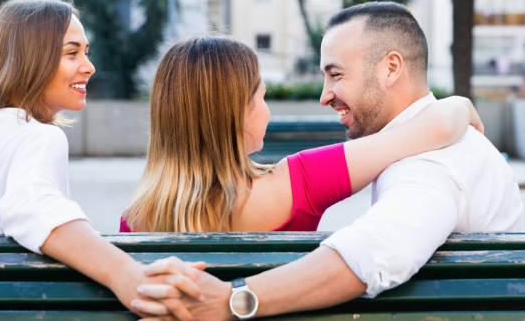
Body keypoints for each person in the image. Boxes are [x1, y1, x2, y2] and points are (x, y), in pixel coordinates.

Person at [132, 2, 523, 321]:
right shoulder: (300, 180)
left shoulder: (135, 221)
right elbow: (367, 256)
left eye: (335, 74)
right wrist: (451, 109)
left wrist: (231, 300)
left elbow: (372, 254)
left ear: (391, 68)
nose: (324, 96)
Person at [0, 0, 204, 321]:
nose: (89, 66)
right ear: (29, 61)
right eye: (72, 53)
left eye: (86, 52)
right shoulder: (38, 137)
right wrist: (127, 275)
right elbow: (30, 206)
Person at [120, 36, 482, 233]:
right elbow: (435, 126)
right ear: (234, 114)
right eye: (261, 97)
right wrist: (462, 105)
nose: (267, 110)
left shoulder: (136, 218)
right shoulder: (300, 182)